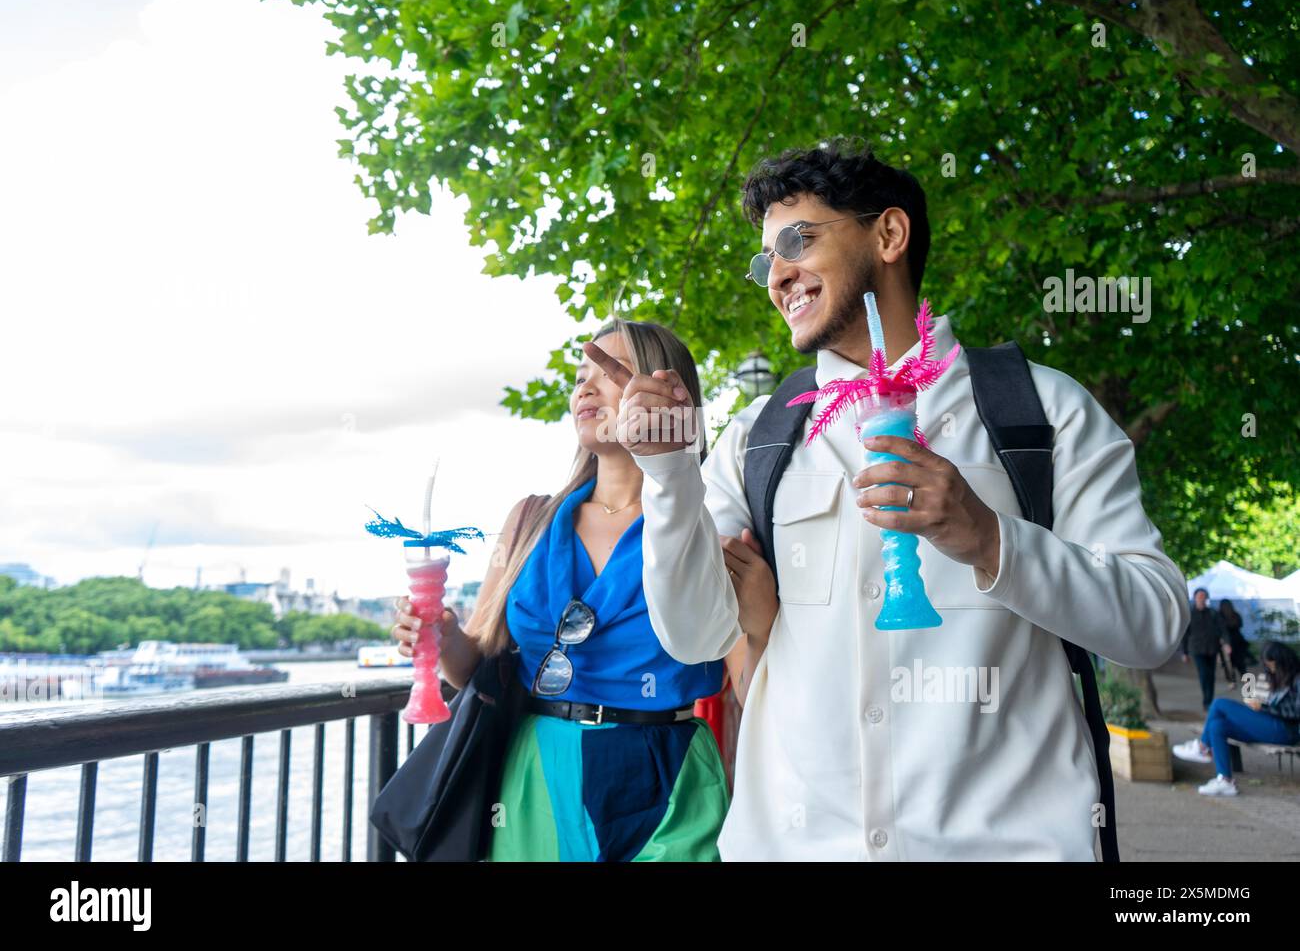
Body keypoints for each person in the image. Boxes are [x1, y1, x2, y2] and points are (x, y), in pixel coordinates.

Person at [588, 137, 1191, 860]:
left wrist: (990, 539)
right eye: (766, 260)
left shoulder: (1042, 411)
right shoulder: (756, 439)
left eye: (798, 241)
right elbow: (690, 637)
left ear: (889, 234)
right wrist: (667, 475)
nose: (778, 275)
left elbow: (1155, 622)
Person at [390, 317, 738, 861]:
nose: (585, 388)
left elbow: (741, 671)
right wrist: (441, 635)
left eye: (609, 372)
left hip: (668, 773)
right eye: (580, 376)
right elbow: (479, 668)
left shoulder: (711, 518)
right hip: (536, 767)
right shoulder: (530, 520)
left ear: (668, 393)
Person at [1172, 641, 1300, 796]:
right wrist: (1261, 705)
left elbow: (1296, 711)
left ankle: (1203, 748)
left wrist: (1264, 707)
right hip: (1271, 724)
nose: (1271, 670)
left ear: (1283, 661)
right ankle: (1225, 781)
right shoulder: (1279, 677)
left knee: (1220, 704)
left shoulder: (1297, 679)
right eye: (1268, 666)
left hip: (1286, 731)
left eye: (1272, 665)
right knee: (1217, 726)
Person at [1181, 587, 1227, 710]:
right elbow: (1185, 634)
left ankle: (1209, 700)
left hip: (1212, 649)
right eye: (1199, 596)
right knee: (1203, 674)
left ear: (1206, 598)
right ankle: (1206, 701)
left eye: (1203, 596)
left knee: (1211, 675)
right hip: (1197, 649)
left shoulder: (1213, 613)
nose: (1201, 599)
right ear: (1195, 598)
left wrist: (1226, 643)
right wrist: (1184, 652)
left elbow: (1222, 629)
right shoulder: (1189, 614)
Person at [1219, 598, 1253, 686]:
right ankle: (1245, 680)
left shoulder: (1220, 616)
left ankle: (1232, 681)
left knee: (1228, 663)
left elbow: (1219, 629)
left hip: (1227, 642)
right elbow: (1240, 625)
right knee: (1240, 663)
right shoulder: (1235, 615)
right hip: (1237, 641)